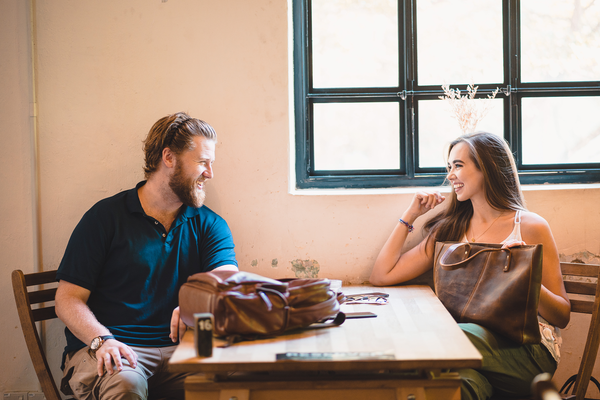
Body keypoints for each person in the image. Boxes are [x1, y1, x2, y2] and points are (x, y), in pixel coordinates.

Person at [369, 132, 570, 400]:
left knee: (453, 333)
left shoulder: (530, 226)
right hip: (465, 354)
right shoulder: (450, 229)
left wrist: (527, 276)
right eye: (449, 167)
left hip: (527, 354)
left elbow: (562, 316)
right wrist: (411, 215)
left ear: (487, 168)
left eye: (458, 166)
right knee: (460, 387)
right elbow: (382, 275)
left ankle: (382, 358)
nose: (450, 175)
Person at [55, 112, 239, 400]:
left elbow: (227, 277)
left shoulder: (209, 223)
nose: (210, 173)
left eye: (211, 163)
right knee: (126, 385)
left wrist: (197, 297)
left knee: (248, 372)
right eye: (203, 162)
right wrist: (101, 340)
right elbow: (67, 299)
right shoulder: (104, 218)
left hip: (189, 348)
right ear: (169, 158)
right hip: (116, 348)